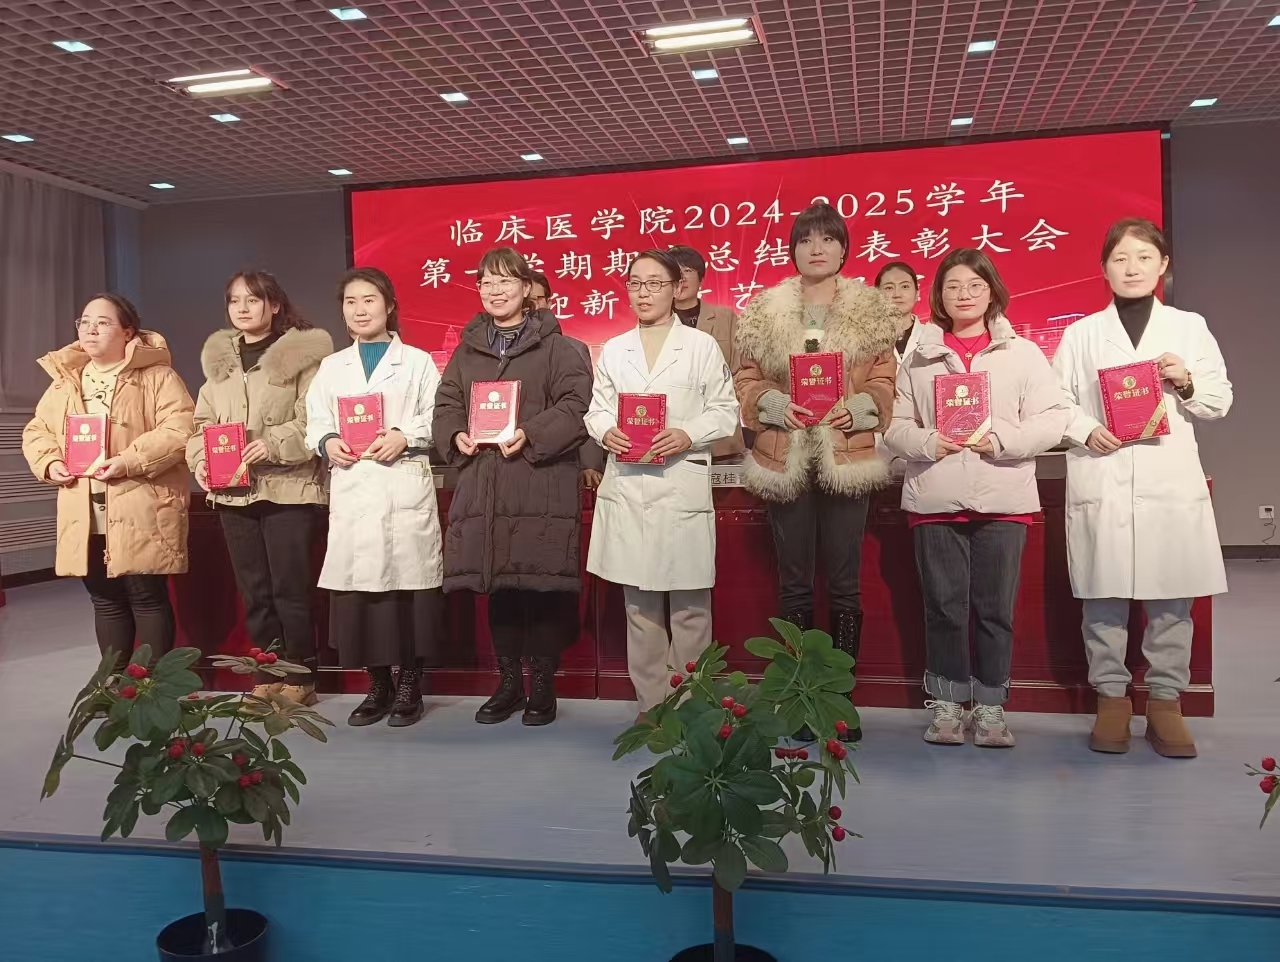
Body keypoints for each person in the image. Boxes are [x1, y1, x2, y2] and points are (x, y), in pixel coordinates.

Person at [1053, 218, 1231, 758]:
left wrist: (1187, 380)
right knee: (1103, 598)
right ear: (1104, 268)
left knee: (1172, 599)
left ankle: (1165, 703)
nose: (1132, 268)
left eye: (1144, 257)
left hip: (1166, 478)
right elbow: (1056, 402)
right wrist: (1086, 428)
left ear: (1163, 265)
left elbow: (1219, 401)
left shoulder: (1189, 328)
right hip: (1103, 472)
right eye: (1121, 258)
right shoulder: (1081, 334)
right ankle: (1111, 699)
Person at [885, 249, 1070, 748]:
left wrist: (1001, 440)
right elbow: (895, 427)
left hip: (1003, 496)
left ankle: (990, 708)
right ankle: (947, 705)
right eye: (952, 286)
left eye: (974, 285)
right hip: (935, 497)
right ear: (938, 296)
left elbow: (1053, 419)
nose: (963, 295)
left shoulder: (1023, 353)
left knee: (995, 610)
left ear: (992, 292)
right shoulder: (919, 357)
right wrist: (929, 442)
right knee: (943, 608)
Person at [733, 203, 899, 742]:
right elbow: (746, 379)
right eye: (806, 240)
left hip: (846, 457)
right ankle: (800, 695)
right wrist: (774, 403)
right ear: (793, 250)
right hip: (785, 458)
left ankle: (839, 699)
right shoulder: (764, 310)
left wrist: (864, 407)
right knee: (795, 584)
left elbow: (884, 381)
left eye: (828, 239)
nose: (817, 248)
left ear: (844, 250)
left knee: (846, 585)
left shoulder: (871, 310)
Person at [433, 247, 592, 727]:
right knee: (498, 586)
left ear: (526, 289)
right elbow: (446, 404)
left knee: (540, 585)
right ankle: (507, 684)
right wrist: (454, 435)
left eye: (505, 281)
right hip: (485, 484)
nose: (495, 290)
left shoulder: (559, 348)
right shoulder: (467, 350)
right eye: (486, 282)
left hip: (539, 482)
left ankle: (542, 685)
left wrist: (531, 433)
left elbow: (576, 405)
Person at [586, 250, 740, 713]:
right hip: (629, 484)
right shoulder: (615, 349)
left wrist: (687, 433)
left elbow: (725, 410)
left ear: (677, 289)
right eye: (636, 283)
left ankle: (691, 708)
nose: (644, 293)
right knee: (640, 608)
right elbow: (596, 410)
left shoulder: (701, 346)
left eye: (655, 283)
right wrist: (605, 430)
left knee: (691, 608)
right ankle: (652, 709)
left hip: (679, 482)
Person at [305, 267, 443, 728]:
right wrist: (327, 441)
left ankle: (410, 685)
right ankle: (378, 683)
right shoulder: (332, 366)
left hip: (401, 483)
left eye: (369, 300)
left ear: (389, 306)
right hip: (354, 485)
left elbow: (436, 416)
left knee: (407, 591)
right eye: (351, 301)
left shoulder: (418, 362)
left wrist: (405, 435)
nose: (359, 309)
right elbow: (315, 419)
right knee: (358, 592)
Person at [23, 294, 195, 665]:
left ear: (127, 331)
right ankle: (113, 684)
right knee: (104, 599)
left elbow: (180, 428)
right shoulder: (66, 381)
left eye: (102, 323)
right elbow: (37, 431)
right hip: (85, 509)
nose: (90, 330)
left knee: (146, 597)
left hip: (141, 504)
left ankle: (151, 687)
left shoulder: (157, 376)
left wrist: (129, 461)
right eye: (84, 322)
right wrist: (50, 462)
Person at [186, 271, 333, 704]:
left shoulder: (303, 357)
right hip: (234, 492)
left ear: (274, 305)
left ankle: (302, 677)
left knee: (291, 589)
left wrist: (271, 444)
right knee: (255, 592)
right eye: (235, 301)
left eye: (253, 299)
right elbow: (201, 425)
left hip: (288, 488)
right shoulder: (220, 364)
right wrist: (200, 461)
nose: (243, 308)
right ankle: (268, 673)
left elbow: (313, 420)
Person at [668, 244, 745, 459]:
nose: (681, 278)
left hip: (721, 439)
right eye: (675, 271)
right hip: (671, 437)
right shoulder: (654, 322)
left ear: (701, 278)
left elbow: (740, 371)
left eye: (688, 271)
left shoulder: (725, 318)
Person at [533, 269, 606, 489]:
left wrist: (590, 463)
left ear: (549, 302)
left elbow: (586, 407)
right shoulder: (498, 351)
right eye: (525, 301)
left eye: (537, 300)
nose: (531, 307)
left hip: (562, 459)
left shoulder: (573, 349)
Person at [876, 260, 926, 363]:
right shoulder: (864, 340)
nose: (897, 294)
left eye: (905, 286)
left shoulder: (932, 336)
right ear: (876, 295)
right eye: (889, 288)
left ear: (917, 293)